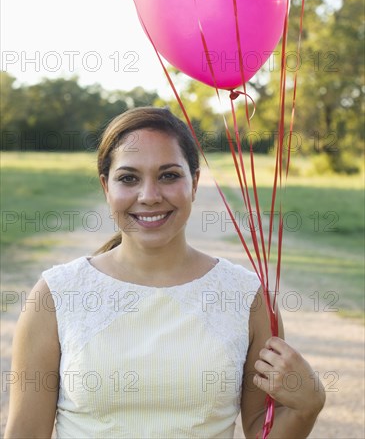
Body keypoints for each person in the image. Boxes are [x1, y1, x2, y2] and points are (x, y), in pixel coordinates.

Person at [5, 106, 325, 438]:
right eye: (129, 178)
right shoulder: (55, 295)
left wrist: (307, 407)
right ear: (106, 187)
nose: (149, 196)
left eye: (169, 175)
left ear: (195, 182)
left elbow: (262, 431)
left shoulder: (246, 297)